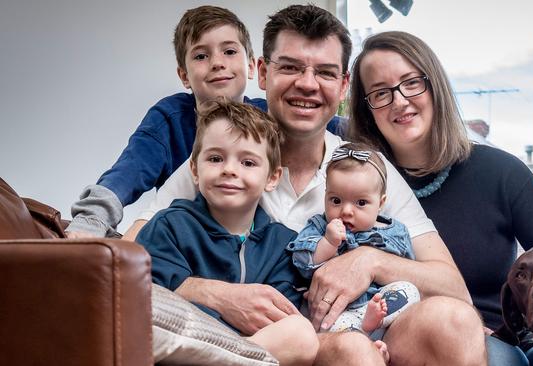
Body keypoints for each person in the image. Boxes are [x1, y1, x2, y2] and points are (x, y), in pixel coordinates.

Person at [129, 5, 487, 366]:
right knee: (352, 351)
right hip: (279, 343)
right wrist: (217, 294)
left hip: (360, 323)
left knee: (454, 321)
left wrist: (369, 261)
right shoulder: (224, 160)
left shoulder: (365, 167)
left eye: (326, 73)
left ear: (343, 85)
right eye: (290, 67)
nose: (308, 83)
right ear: (263, 72)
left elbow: (453, 288)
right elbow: (124, 262)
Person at [346, 30, 533, 365]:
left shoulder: (499, 171)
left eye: (412, 82)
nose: (400, 100)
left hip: (487, 339)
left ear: (435, 86)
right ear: (367, 109)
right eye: (380, 93)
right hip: (389, 338)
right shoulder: (354, 184)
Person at [65, 5, 342, 239]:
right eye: (201, 56)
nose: (217, 63)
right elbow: (126, 174)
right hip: (186, 241)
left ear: (250, 66)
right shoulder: (170, 119)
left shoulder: (265, 115)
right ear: (184, 75)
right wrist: (91, 221)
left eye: (229, 52)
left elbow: (326, 123)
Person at [135, 99, 318, 365]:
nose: (230, 169)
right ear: (195, 170)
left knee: (301, 335)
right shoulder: (170, 226)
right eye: (216, 158)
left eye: (248, 162)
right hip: (186, 346)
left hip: (252, 349)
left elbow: (277, 318)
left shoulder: (284, 244)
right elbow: (151, 299)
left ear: (272, 178)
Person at [288, 142, 420, 348]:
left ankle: (371, 327)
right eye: (336, 200)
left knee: (409, 289)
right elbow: (302, 262)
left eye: (360, 203)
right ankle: (366, 339)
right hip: (337, 313)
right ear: (325, 196)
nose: (346, 211)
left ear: (381, 202)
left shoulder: (396, 232)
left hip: (380, 307)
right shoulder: (321, 227)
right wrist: (328, 243)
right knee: (327, 324)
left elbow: (408, 270)